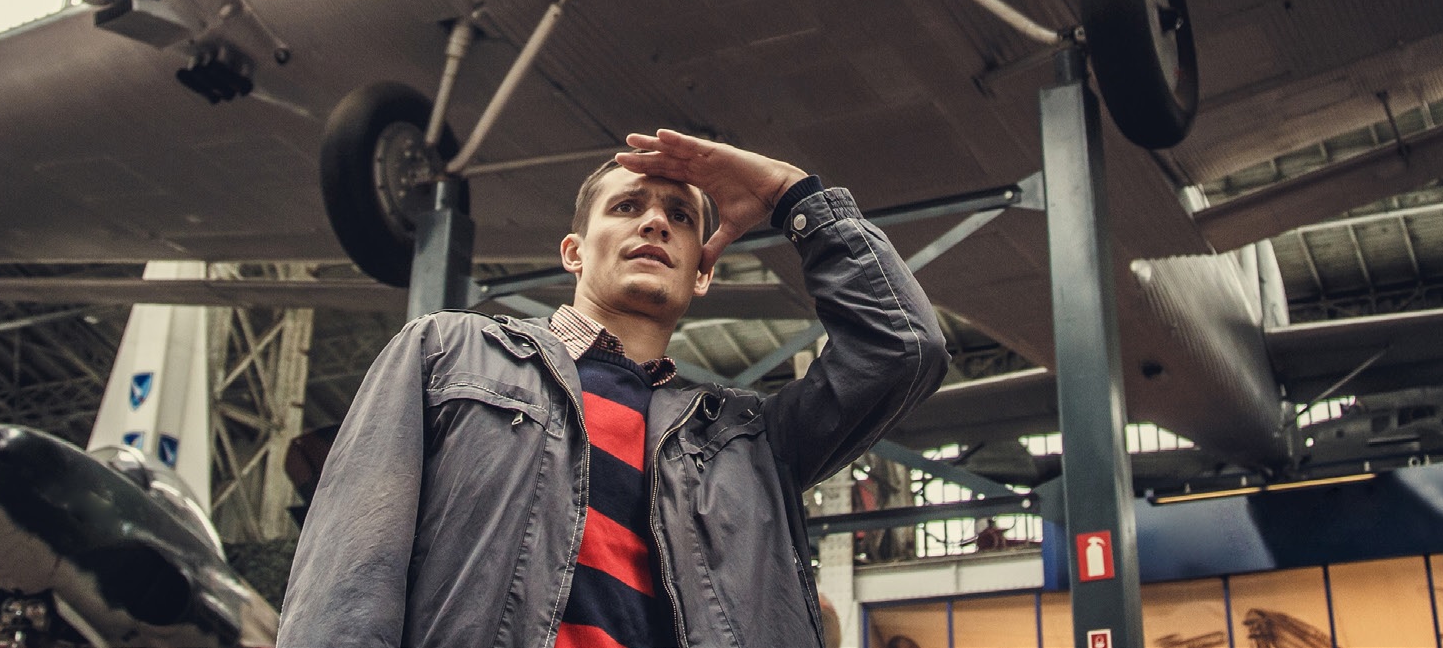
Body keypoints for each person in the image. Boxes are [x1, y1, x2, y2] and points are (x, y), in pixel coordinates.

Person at [279, 129, 949, 648]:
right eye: (627, 206)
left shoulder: (749, 441)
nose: (654, 222)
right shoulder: (446, 353)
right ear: (574, 250)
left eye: (680, 218)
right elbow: (347, 579)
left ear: (701, 273)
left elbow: (903, 348)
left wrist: (791, 195)